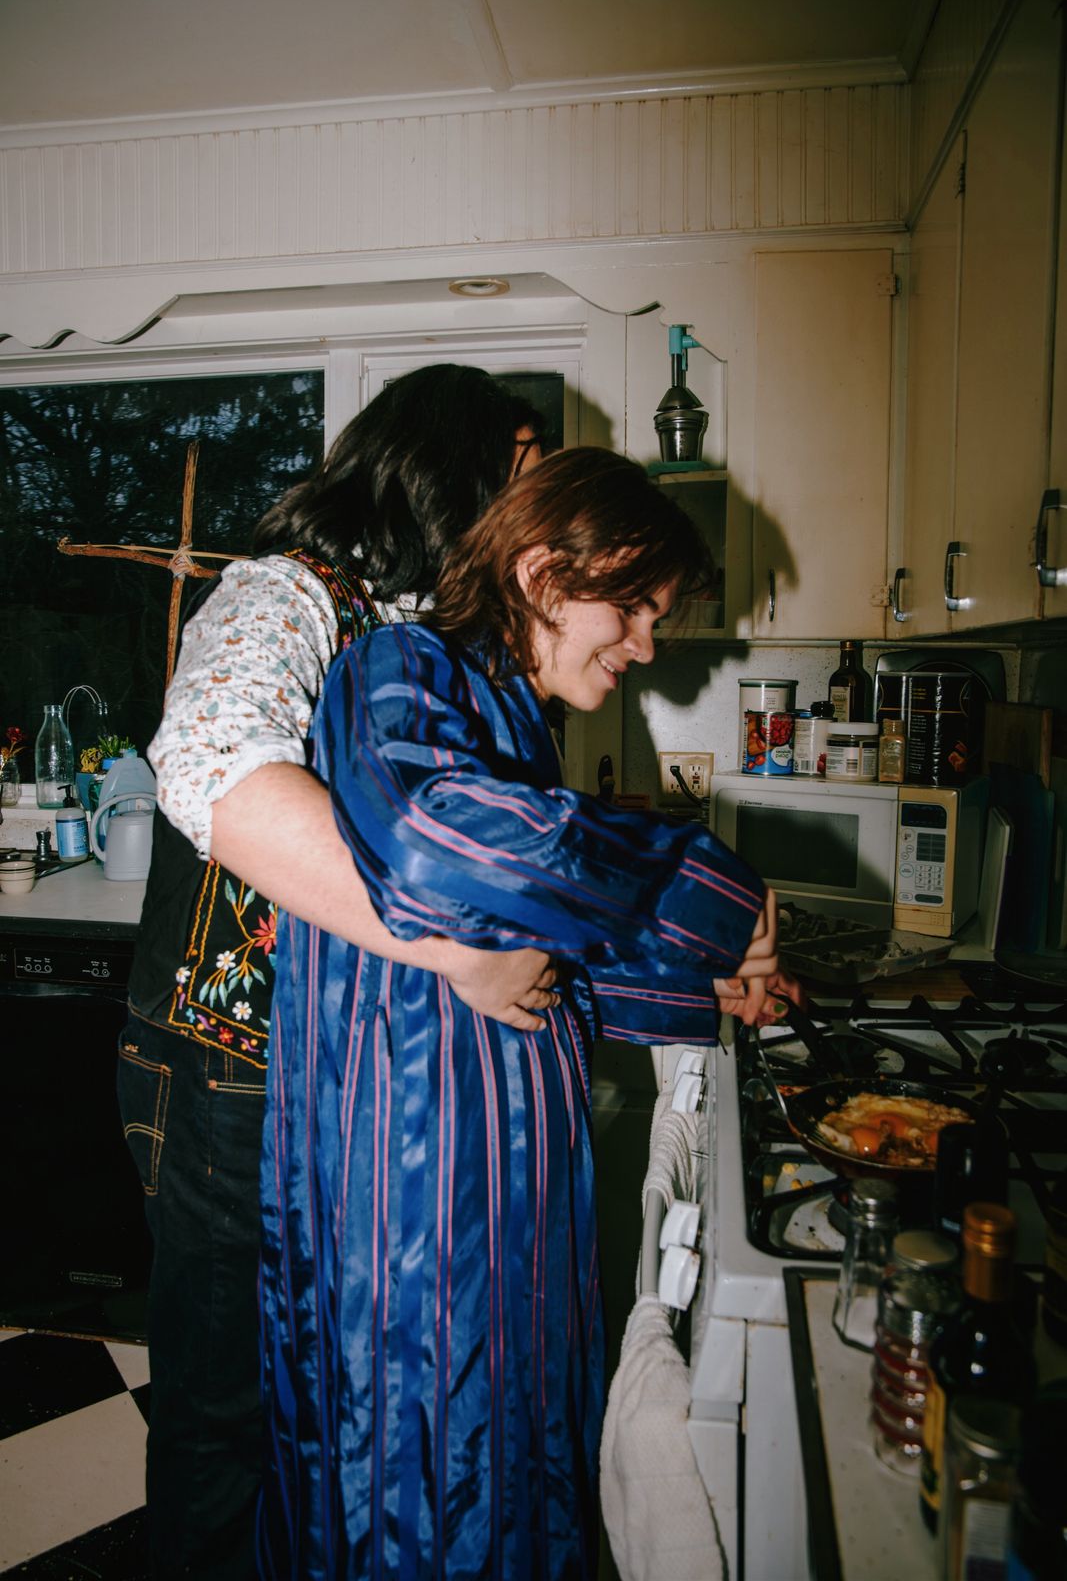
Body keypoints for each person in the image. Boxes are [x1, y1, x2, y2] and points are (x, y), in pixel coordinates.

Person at [258, 446, 782, 1580]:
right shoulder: (398, 666)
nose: (645, 645)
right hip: (413, 1205)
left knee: (511, 1481)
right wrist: (699, 886)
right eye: (632, 609)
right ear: (543, 574)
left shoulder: (517, 721)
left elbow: (538, 970)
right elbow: (429, 840)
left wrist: (694, 989)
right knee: (418, 1489)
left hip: (505, 1194)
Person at [118, 365, 554, 1581]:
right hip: (224, 1076)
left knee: (306, 1404)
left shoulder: (415, 637)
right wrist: (457, 952)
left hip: (321, 1083)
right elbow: (211, 769)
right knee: (220, 1418)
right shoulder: (284, 592)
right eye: (518, 478)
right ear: (447, 470)